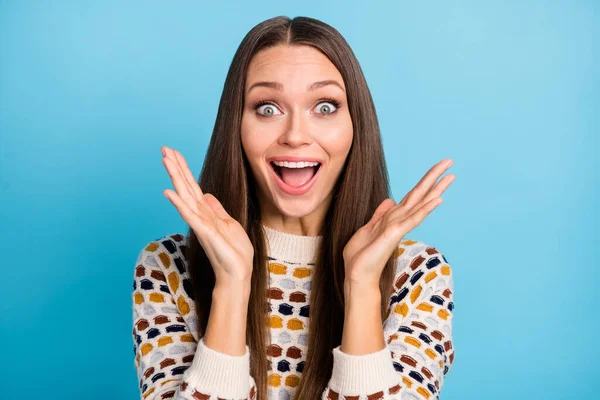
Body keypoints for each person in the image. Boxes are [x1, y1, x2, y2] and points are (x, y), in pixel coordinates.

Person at [132, 15, 456, 400]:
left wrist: (363, 288)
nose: (296, 136)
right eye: (268, 108)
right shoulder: (168, 267)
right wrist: (232, 287)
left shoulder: (418, 275)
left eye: (325, 106)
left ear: (357, 126)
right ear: (235, 125)